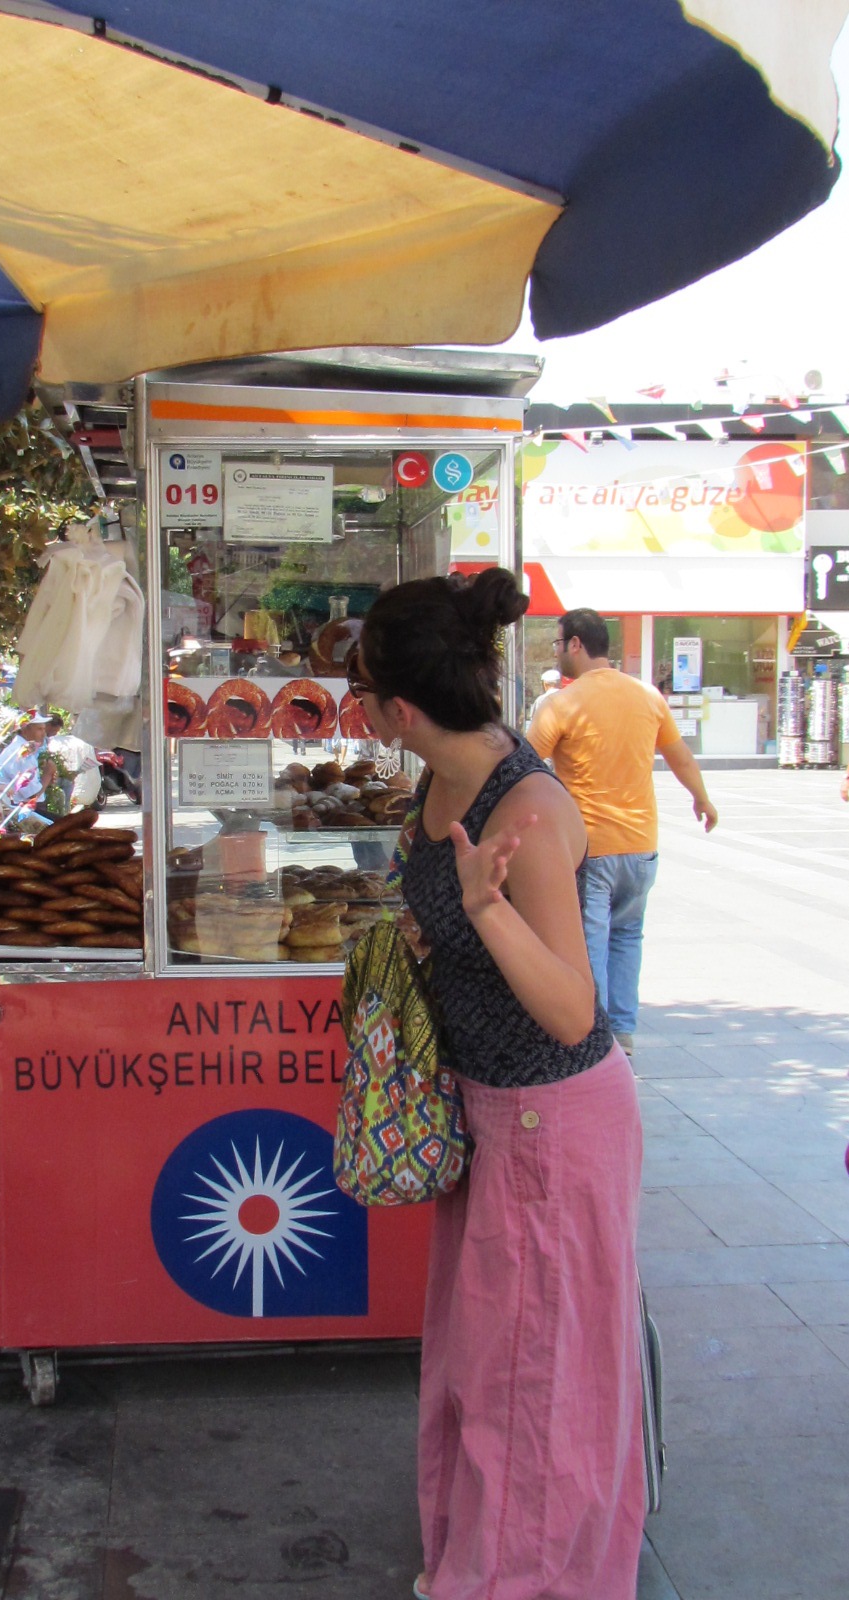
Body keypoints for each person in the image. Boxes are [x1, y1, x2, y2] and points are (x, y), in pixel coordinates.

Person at [349, 570, 644, 1600]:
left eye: (363, 692)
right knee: (486, 1369)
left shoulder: (526, 806)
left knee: (531, 1384)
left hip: (549, 1121)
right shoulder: (439, 783)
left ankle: (519, 1581)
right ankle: (480, 1560)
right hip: (487, 1114)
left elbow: (572, 1010)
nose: (358, 707)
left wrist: (485, 914)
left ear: (403, 709)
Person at [527, 609, 717, 1057]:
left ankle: (595, 1039)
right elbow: (681, 757)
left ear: (575, 644)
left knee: (590, 942)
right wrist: (702, 799)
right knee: (628, 935)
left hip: (591, 848)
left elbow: (524, 766)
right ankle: (623, 1034)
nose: (557, 651)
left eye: (558, 643)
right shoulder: (648, 696)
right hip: (642, 847)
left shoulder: (562, 703)